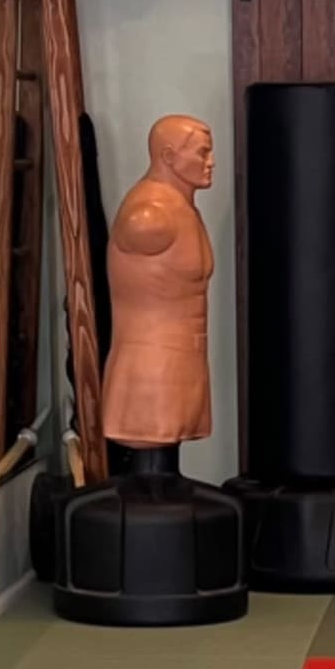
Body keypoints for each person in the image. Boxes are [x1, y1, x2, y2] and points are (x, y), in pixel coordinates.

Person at [101, 112, 217, 452]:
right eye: (202, 153)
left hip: (186, 361)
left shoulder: (182, 209)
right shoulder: (149, 217)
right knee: (155, 469)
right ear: (168, 157)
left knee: (170, 470)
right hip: (151, 368)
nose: (211, 163)